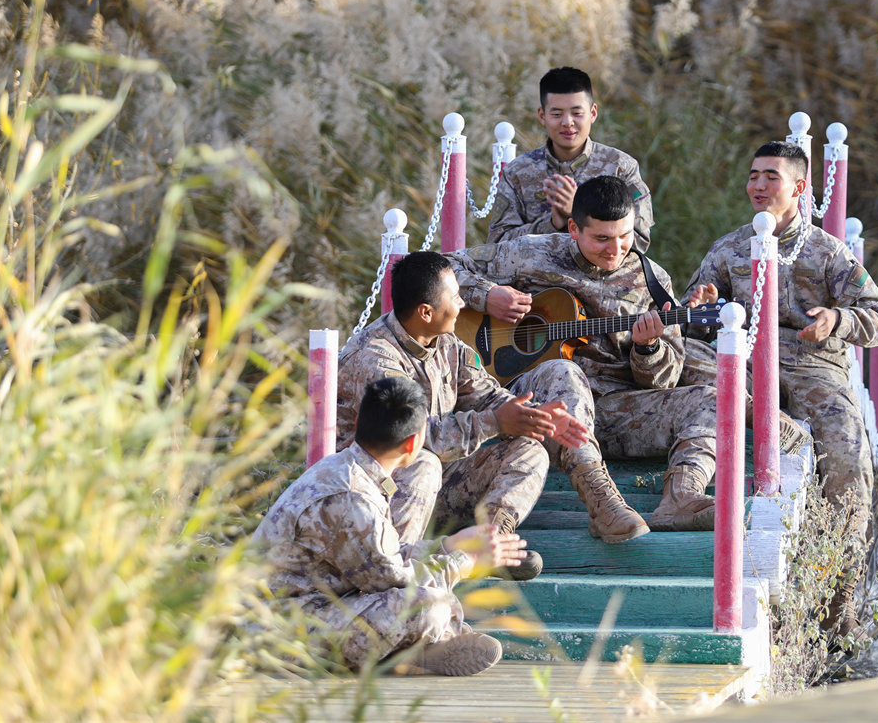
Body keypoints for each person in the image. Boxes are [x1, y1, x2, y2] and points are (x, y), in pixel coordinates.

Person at [683, 141, 878, 636]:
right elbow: (692, 318)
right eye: (753, 175)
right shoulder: (728, 248)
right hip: (744, 363)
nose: (758, 185)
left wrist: (836, 320)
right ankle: (758, 421)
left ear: (799, 187)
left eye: (771, 177)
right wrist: (700, 304)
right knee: (686, 366)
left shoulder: (827, 250)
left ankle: (840, 605)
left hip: (812, 366)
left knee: (848, 455)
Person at [450, 175, 722, 532]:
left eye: (625, 236)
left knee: (711, 400)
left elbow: (665, 381)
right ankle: (603, 505)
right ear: (574, 229)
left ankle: (682, 496)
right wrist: (487, 295)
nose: (616, 249)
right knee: (565, 372)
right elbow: (440, 266)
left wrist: (649, 348)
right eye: (602, 239)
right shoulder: (529, 253)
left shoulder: (652, 281)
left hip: (613, 413)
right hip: (536, 409)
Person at [336, 251, 589, 580]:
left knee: (529, 450)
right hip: (376, 495)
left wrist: (532, 416)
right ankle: (401, 569)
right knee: (423, 462)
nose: (462, 304)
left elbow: (484, 393)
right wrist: (495, 422)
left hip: (439, 483)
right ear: (426, 312)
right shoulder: (375, 359)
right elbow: (413, 438)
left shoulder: (445, 342)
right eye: (455, 297)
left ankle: (492, 545)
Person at [254, 377, 526, 675]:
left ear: (358, 422)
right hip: (282, 630)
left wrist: (447, 545)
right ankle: (414, 654)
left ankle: (415, 653)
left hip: (311, 606)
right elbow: (393, 581)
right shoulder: (353, 497)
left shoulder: (347, 469)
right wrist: (465, 562)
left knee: (432, 596)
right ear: (414, 442)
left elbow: (385, 558)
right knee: (428, 605)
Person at [486, 66, 654, 252]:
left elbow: (639, 240)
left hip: (602, 272)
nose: (567, 122)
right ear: (542, 116)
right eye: (557, 114)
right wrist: (551, 224)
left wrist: (579, 212)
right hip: (535, 272)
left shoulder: (620, 168)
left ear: (593, 113)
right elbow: (498, 246)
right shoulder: (517, 172)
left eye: (577, 113)